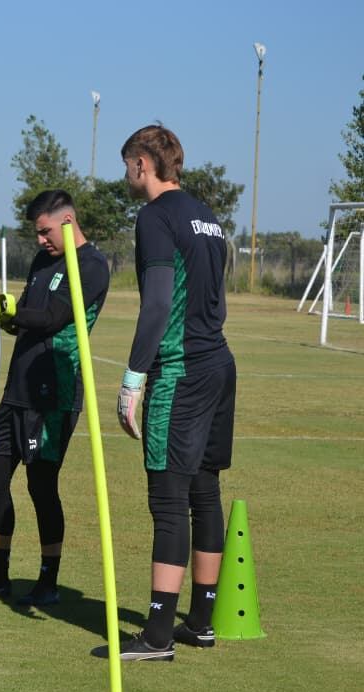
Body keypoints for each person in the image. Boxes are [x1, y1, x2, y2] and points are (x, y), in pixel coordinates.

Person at [94, 125, 236, 662]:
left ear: (141, 164)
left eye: (126, 164)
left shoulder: (154, 216)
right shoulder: (207, 213)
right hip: (220, 363)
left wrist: (133, 378)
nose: (126, 174)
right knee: (204, 491)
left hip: (181, 371)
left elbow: (156, 305)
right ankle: (199, 622)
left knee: (169, 499)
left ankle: (157, 635)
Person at [0, 190, 109, 606]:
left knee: (41, 485)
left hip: (54, 392)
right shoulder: (43, 260)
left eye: (45, 231)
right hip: (19, 388)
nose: (40, 240)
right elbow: (30, 318)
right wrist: (6, 317)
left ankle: (48, 581)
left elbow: (54, 317)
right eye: (37, 233)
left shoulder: (92, 266)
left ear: (68, 221)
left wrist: (12, 313)